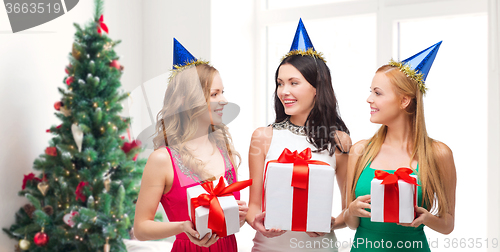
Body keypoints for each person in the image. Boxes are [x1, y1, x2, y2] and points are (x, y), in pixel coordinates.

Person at [246, 19, 351, 252]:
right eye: (280, 83)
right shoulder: (263, 137)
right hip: (268, 247)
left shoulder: (339, 140)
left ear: (317, 88)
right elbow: (253, 205)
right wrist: (257, 221)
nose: (284, 91)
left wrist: (331, 223)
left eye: (294, 83)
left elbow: (349, 210)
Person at [134, 38, 247, 252]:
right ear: (187, 100)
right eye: (214, 94)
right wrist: (182, 227)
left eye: (223, 92)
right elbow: (141, 228)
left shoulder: (224, 150)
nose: (223, 100)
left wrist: (238, 216)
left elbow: (226, 218)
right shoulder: (162, 160)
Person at [344, 41, 456, 251]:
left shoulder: (438, 153)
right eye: (371, 92)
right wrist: (351, 210)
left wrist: (426, 218)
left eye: (377, 93)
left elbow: (448, 224)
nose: (369, 99)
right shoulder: (360, 151)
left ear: (404, 101)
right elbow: (351, 224)